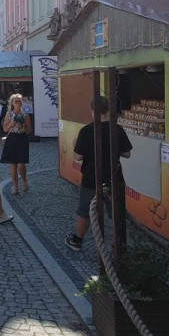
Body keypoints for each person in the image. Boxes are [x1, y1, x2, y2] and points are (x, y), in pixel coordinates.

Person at [65, 95, 133, 252]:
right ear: (108, 110)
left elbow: (78, 157)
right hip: (113, 176)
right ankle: (120, 245)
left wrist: (76, 143)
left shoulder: (86, 131)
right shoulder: (117, 129)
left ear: (91, 110)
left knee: (85, 212)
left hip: (91, 177)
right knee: (116, 213)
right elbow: (127, 154)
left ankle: (77, 240)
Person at [0, 93, 31, 194]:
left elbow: (29, 130)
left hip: (22, 139)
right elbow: (4, 129)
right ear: (12, 103)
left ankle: (24, 179)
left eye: (20, 101)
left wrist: (23, 127)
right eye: (16, 101)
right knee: (13, 165)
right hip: (12, 139)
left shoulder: (25, 115)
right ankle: (15, 186)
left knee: (21, 165)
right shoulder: (9, 114)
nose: (18, 103)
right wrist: (11, 124)